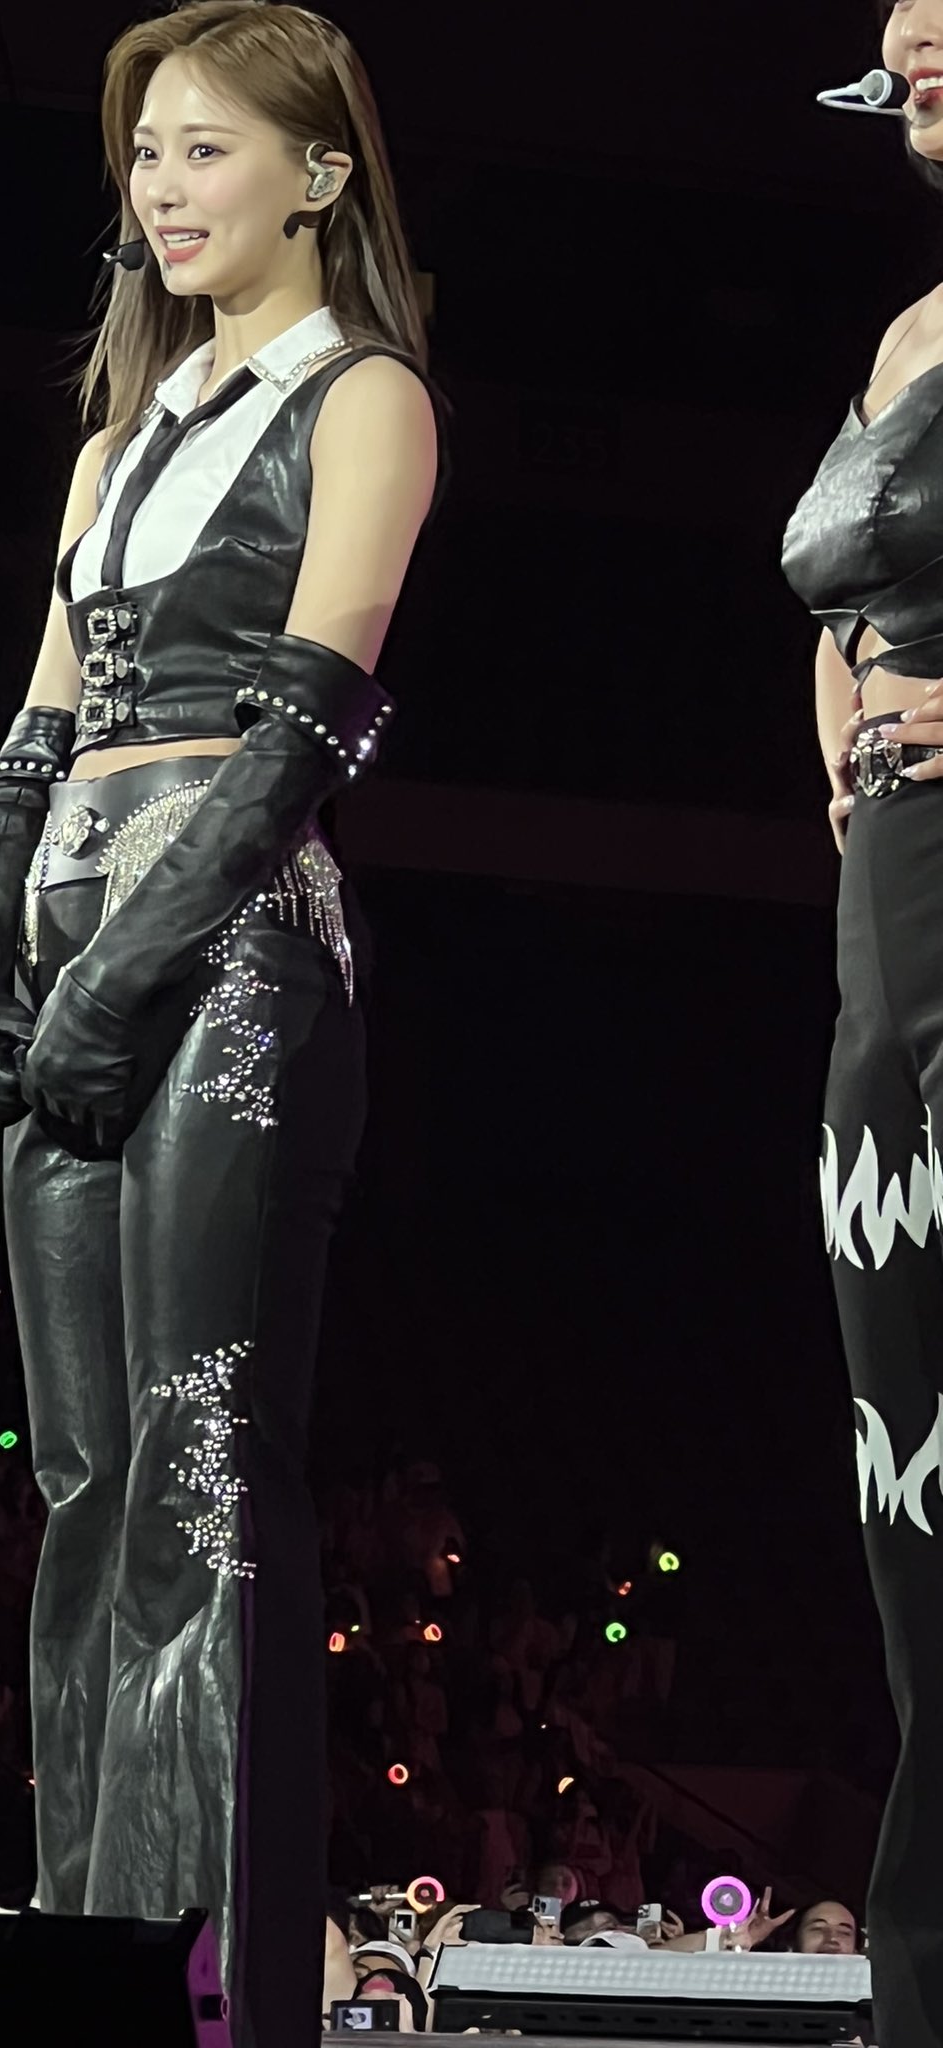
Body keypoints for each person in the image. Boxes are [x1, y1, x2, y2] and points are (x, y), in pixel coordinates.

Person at [0, 5, 441, 2042]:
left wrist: (133, 964)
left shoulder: (368, 400)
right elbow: (35, 729)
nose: (159, 187)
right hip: (74, 940)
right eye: (145, 151)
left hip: (228, 958)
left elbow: (311, 719)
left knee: (202, 1466)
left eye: (205, 147)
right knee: (82, 1484)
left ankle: (218, 1992)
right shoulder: (118, 440)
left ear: (320, 173)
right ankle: (97, 1954)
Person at [782, 8, 943, 2038]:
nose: (910, 33)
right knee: (917, 1471)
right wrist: (850, 744)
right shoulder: (910, 334)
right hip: (889, 911)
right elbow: (843, 604)